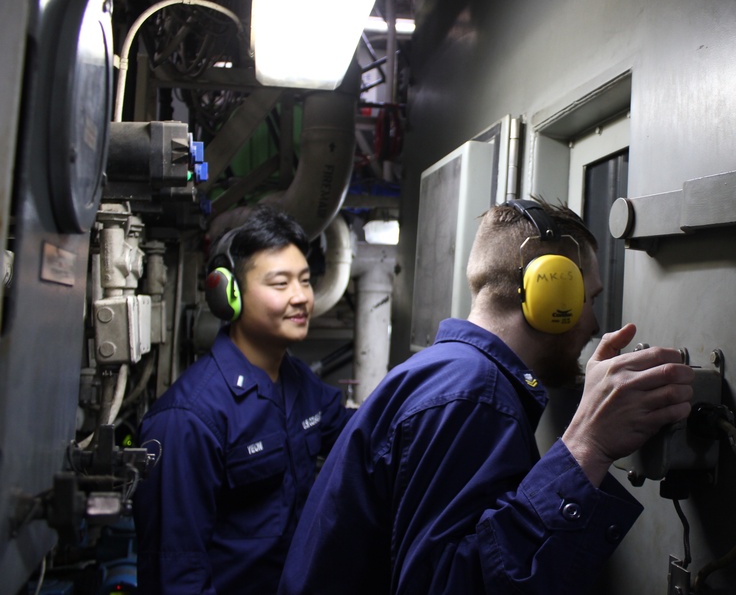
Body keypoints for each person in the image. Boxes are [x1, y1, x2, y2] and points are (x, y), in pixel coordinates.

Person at [278, 198, 694, 594]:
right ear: (555, 294)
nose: (594, 321)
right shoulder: (473, 396)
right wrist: (588, 444)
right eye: (590, 297)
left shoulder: (448, 374)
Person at [133, 205, 354, 595]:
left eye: (305, 280)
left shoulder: (297, 381)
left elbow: (361, 437)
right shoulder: (188, 419)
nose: (302, 297)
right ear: (228, 295)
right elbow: (176, 576)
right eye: (280, 284)